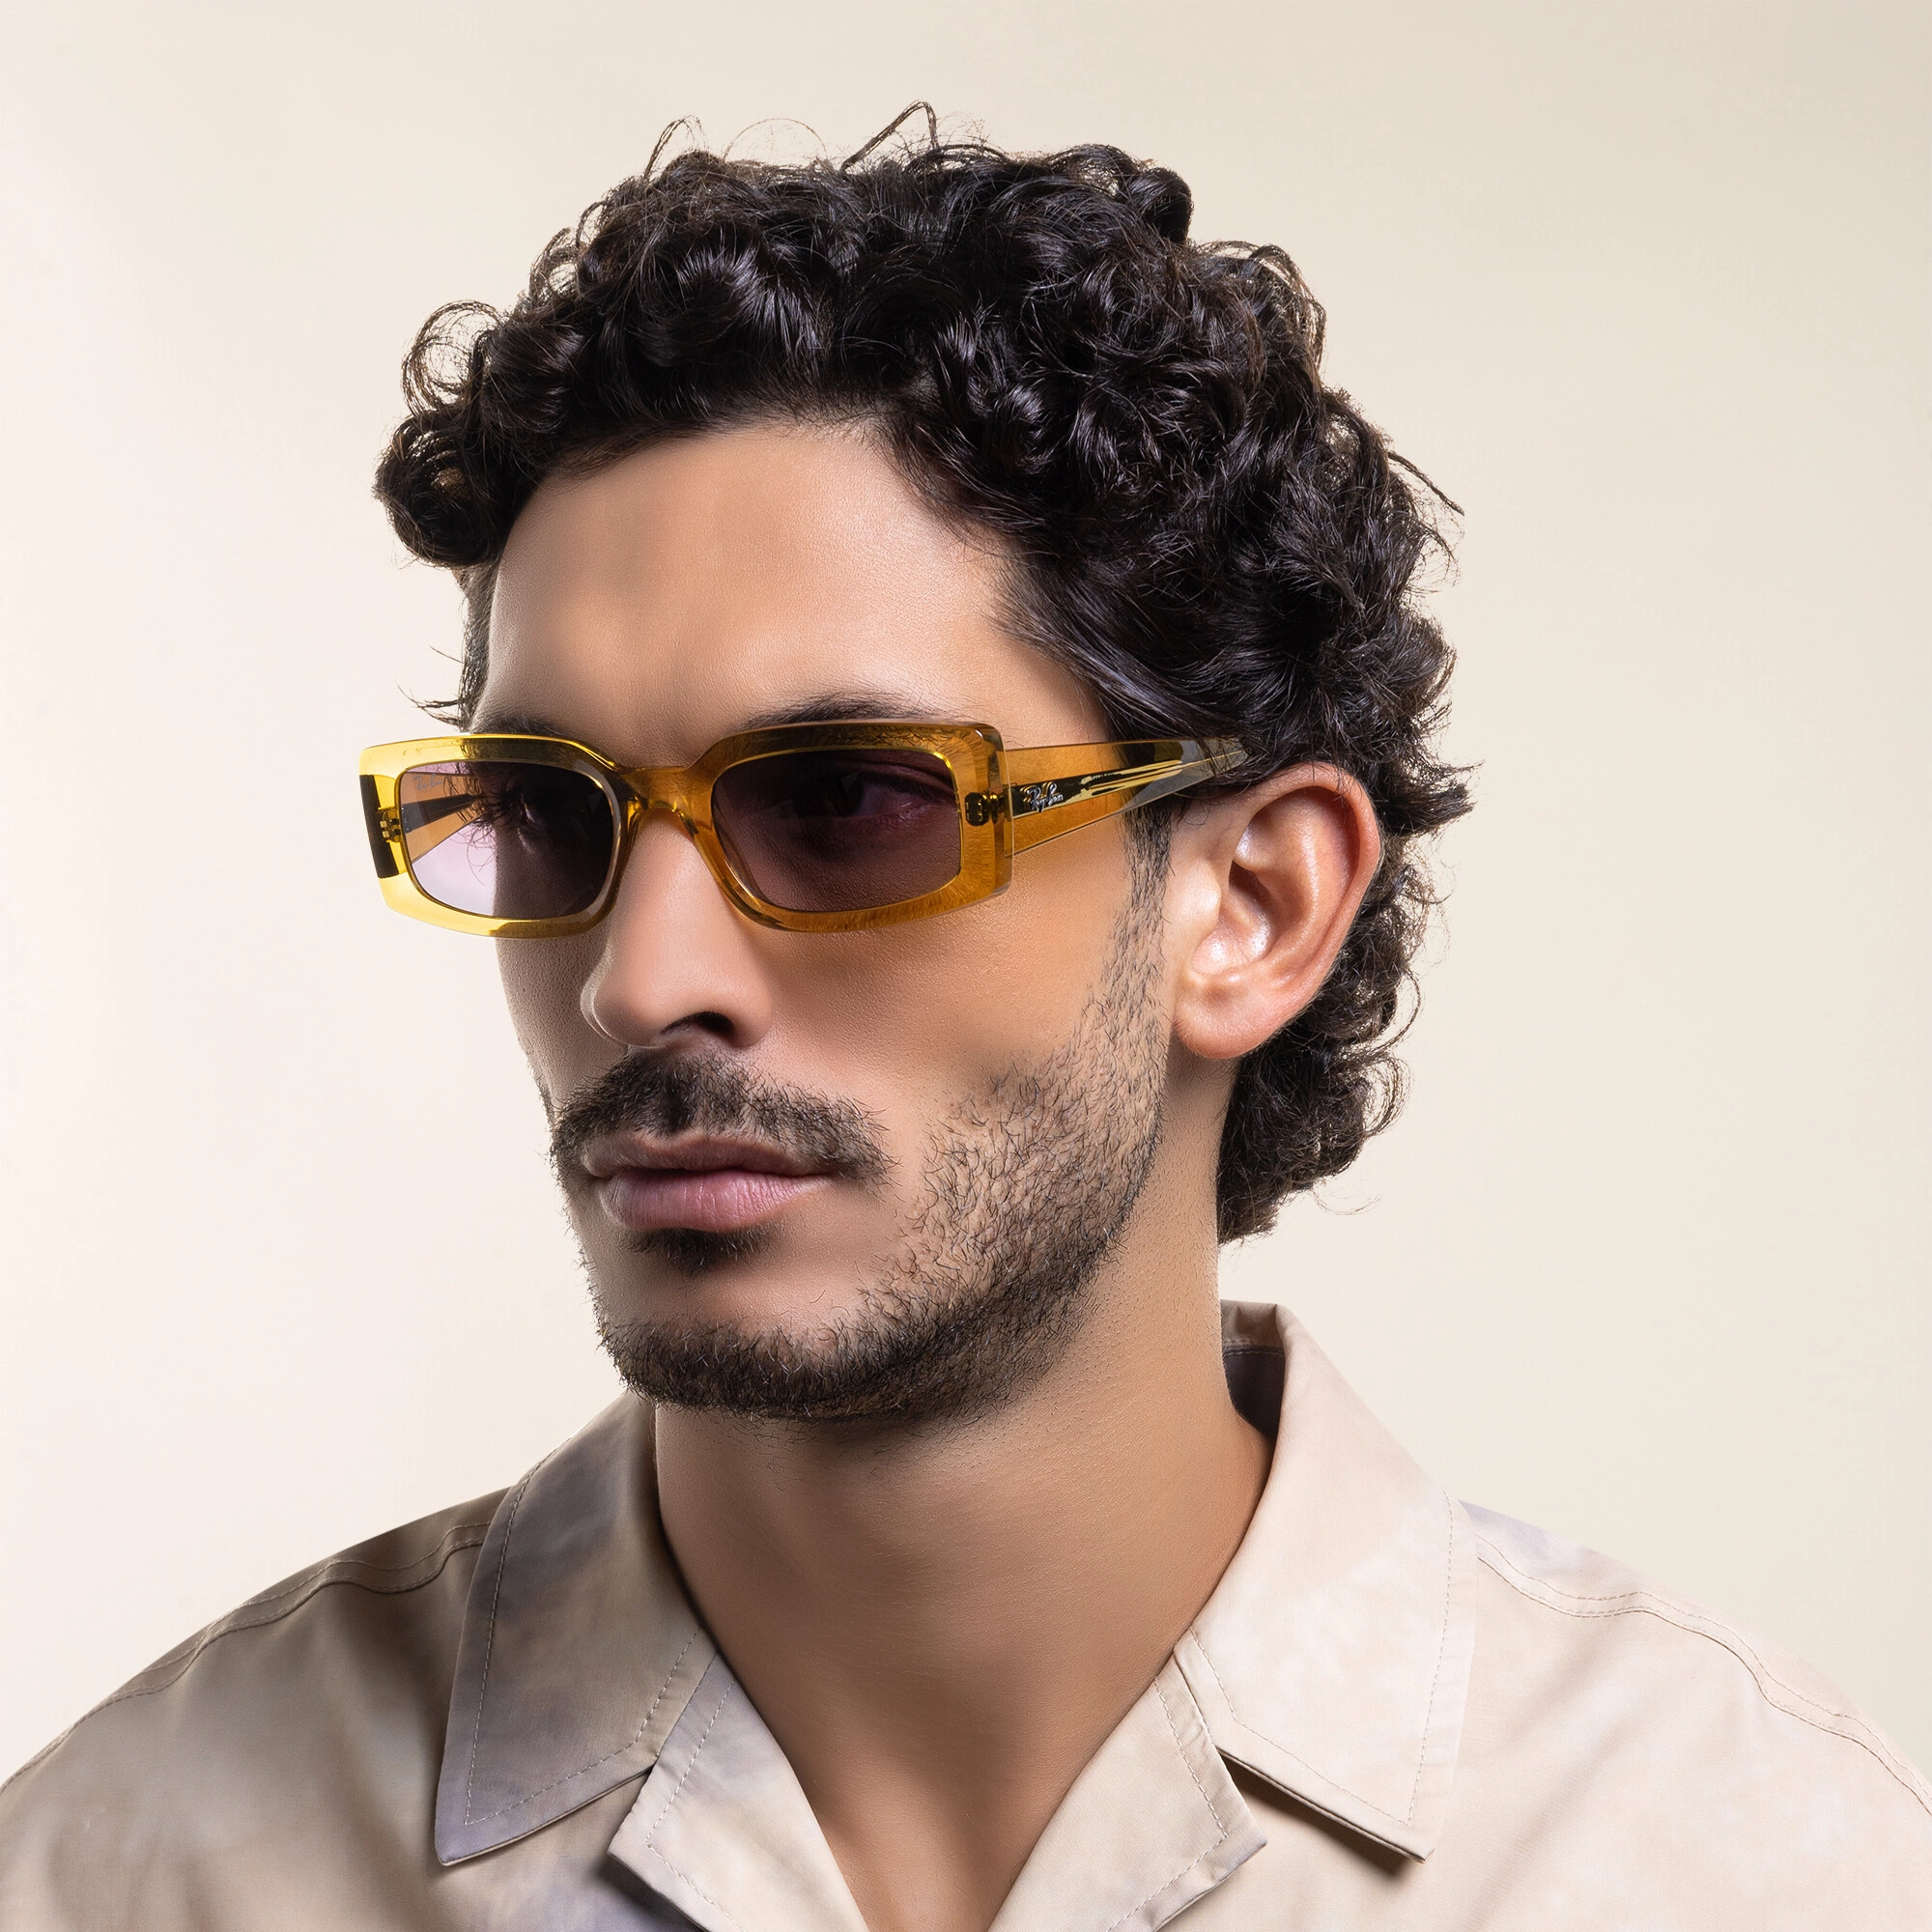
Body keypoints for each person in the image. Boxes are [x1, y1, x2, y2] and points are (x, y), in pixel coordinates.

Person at [3, 114, 1926, 1932]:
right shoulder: (133, 1874)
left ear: (1252, 907)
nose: (637, 978)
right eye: (548, 815)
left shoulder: (1747, 1867)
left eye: (845, 803)